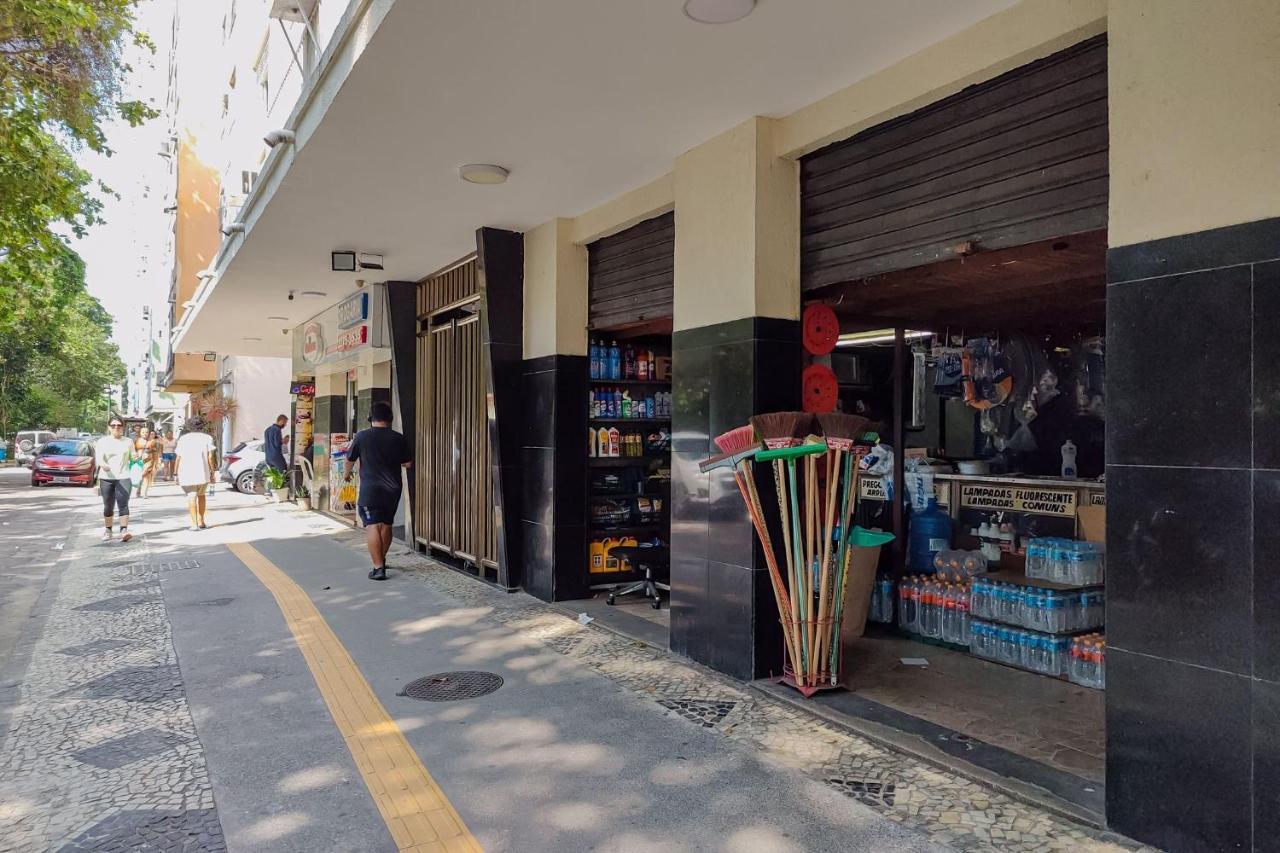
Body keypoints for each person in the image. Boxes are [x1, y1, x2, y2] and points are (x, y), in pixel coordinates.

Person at [343, 401, 412, 581]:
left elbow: (350, 459)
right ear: (390, 418)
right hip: (393, 488)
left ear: (370, 418)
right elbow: (408, 463)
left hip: (370, 489)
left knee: (373, 525)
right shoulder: (398, 438)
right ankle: (381, 558)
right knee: (386, 524)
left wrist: (346, 474)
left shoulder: (362, 437)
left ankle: (378, 567)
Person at [94, 419, 136, 543]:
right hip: (107, 477)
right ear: (108, 427)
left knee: (123, 503)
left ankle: (124, 531)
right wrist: (103, 465)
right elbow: (99, 458)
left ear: (123, 427)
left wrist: (136, 456)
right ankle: (108, 530)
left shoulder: (128, 441)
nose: (116, 427)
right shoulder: (102, 442)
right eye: (113, 425)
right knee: (108, 505)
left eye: (119, 425)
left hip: (123, 476)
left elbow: (132, 455)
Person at [175, 418, 217, 531]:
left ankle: (194, 524)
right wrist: (213, 472)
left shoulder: (183, 439)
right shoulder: (208, 438)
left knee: (191, 496)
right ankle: (201, 520)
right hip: (203, 472)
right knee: (202, 495)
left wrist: (175, 473)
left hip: (186, 471)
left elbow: (178, 457)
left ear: (189, 426)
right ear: (202, 426)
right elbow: (210, 457)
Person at [137, 428, 161, 498]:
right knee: (140, 476)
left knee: (146, 476)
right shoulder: (137, 441)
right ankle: (138, 490)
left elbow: (156, 452)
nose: (145, 434)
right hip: (139, 460)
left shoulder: (152, 441)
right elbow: (133, 451)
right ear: (140, 433)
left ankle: (144, 493)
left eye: (146, 432)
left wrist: (157, 461)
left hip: (149, 460)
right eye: (143, 432)